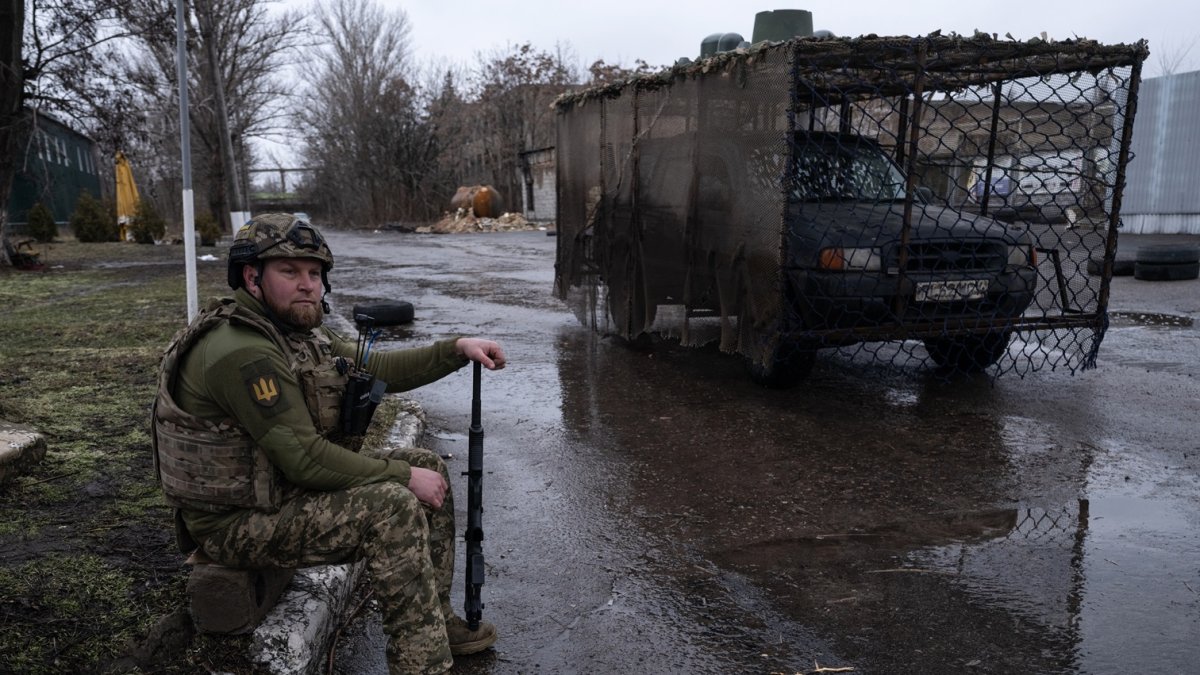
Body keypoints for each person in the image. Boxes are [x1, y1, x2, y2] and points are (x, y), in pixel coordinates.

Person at [151, 212, 505, 674]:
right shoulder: (244, 350)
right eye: (289, 271)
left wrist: (457, 348)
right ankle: (421, 664)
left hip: (276, 494)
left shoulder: (295, 331)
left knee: (428, 466)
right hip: (236, 523)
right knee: (393, 505)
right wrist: (401, 477)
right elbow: (304, 460)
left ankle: (436, 624)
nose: (307, 285)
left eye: (314, 273)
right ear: (252, 276)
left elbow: (378, 370)